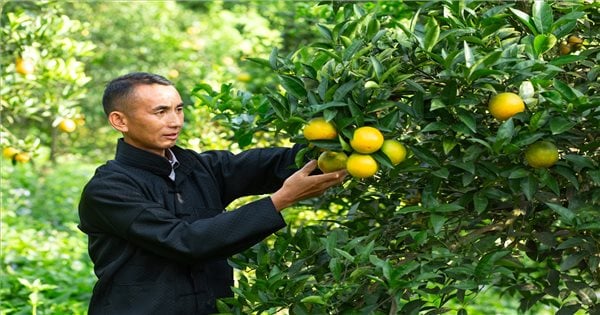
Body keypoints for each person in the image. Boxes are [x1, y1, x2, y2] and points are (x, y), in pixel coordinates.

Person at [78, 72, 346, 314]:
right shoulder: (109, 189)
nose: (175, 121)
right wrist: (281, 200)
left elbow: (281, 163)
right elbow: (184, 242)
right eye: (160, 112)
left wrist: (346, 126)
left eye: (179, 109)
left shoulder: (201, 168)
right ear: (119, 121)